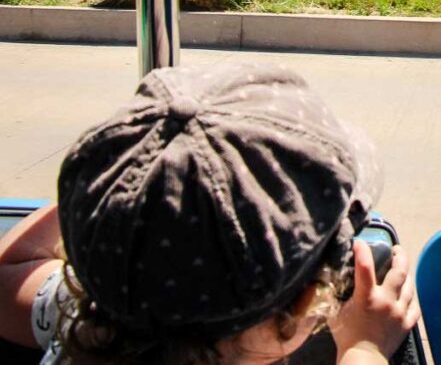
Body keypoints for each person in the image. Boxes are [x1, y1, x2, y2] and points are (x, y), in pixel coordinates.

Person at [0, 62, 419, 364]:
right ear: (307, 302)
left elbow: (7, 279)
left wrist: (136, 174)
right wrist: (364, 348)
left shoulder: (94, 321)